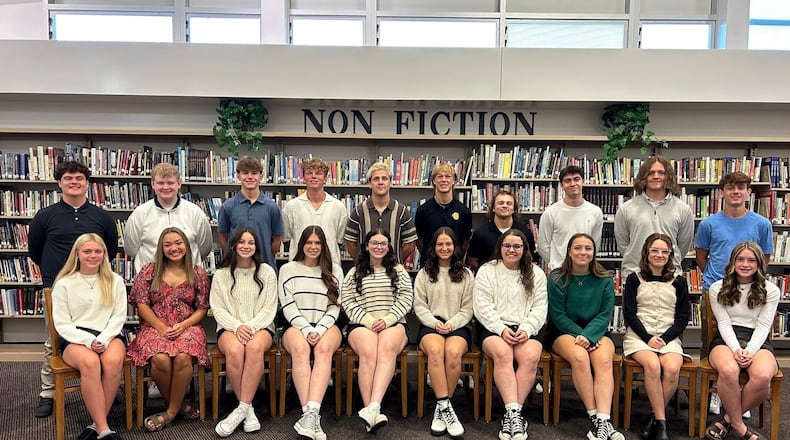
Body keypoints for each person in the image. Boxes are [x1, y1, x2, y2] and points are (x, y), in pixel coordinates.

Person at [28, 160, 119, 418]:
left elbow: (109, 251)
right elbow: (35, 251)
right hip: (57, 288)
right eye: (68, 178)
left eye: (79, 178)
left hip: (96, 287)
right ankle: (48, 393)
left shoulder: (101, 217)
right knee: (53, 342)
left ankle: (102, 390)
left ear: (87, 183)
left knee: (101, 335)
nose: (74, 182)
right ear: (60, 182)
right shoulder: (45, 216)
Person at [695, 171, 773, 416]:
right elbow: (701, 256)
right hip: (715, 290)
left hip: (749, 292)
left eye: (741, 187)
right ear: (722, 192)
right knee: (712, 344)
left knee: (746, 341)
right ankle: (717, 394)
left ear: (748, 192)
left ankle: (739, 396)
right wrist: (723, 281)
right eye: (730, 187)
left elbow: (765, 258)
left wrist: (746, 280)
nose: (736, 191)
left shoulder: (762, 224)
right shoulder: (709, 224)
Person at [126, 227, 211, 432]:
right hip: (155, 325)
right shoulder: (149, 271)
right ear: (161, 248)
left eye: (178, 243)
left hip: (187, 326)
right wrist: (161, 327)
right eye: (168, 244)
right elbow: (141, 304)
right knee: (160, 359)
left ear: (186, 245)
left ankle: (170, 413)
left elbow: (202, 309)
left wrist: (182, 325)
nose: (174, 248)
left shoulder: (197, 273)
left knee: (183, 357)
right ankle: (180, 406)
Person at [546, 233, 624, 440]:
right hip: (564, 330)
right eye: (578, 248)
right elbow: (558, 315)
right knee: (580, 357)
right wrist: (582, 336)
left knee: (604, 360)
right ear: (569, 252)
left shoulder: (605, 279)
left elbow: (605, 314)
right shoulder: (556, 278)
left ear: (594, 253)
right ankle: (595, 418)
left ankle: (604, 419)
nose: (583, 252)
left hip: (596, 330)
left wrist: (589, 335)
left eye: (588, 248)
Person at [51, 233, 127, 440]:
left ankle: (96, 426)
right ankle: (104, 430)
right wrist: (87, 341)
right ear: (77, 254)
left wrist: (102, 339)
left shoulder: (115, 280)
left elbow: (119, 317)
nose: (93, 256)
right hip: (75, 337)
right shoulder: (64, 283)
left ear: (104, 254)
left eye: (98, 251)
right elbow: (62, 324)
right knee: (91, 362)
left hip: (109, 334)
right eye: (87, 251)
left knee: (113, 361)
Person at [473, 229, 547, 440]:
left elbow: (540, 307)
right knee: (503, 354)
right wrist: (502, 329)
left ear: (525, 249)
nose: (512, 250)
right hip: (494, 327)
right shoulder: (487, 270)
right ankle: (514, 413)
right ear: (500, 248)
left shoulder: (536, 273)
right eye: (507, 246)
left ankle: (512, 413)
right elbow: (482, 307)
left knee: (530, 357)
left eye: (517, 246)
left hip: (527, 328)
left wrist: (526, 329)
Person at [704, 242, 779, 440]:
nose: (745, 264)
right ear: (733, 262)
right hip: (726, 339)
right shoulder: (717, 287)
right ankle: (740, 427)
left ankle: (726, 421)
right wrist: (736, 349)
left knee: (763, 376)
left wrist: (751, 351)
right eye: (740, 259)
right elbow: (724, 323)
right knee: (729, 370)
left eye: (751, 260)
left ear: (759, 264)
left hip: (757, 339)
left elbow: (764, 325)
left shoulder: (771, 290)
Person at [341, 229, 413, 433]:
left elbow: (406, 298)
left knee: (386, 350)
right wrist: (369, 321)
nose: (379, 247)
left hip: (394, 322)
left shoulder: (398, 270)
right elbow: (347, 301)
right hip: (362, 324)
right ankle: (371, 410)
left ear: (389, 247)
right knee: (369, 353)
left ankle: (373, 407)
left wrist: (387, 320)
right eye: (374, 243)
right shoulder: (354, 272)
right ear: (366, 245)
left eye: (383, 243)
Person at [209, 227, 278, 437]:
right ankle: (248, 411)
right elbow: (218, 308)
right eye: (242, 242)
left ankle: (240, 409)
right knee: (236, 350)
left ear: (257, 247)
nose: (246, 246)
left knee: (255, 348)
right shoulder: (221, 275)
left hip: (261, 326)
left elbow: (269, 307)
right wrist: (238, 326)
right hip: (230, 327)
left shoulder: (266, 272)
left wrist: (252, 327)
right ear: (233, 245)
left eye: (251, 243)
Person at [622, 233, 691, 440]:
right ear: (646, 252)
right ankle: (662, 425)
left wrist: (666, 338)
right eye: (655, 250)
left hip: (668, 337)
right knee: (652, 365)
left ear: (670, 255)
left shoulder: (679, 281)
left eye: (664, 251)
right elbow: (630, 313)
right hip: (639, 337)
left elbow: (682, 316)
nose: (659, 255)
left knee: (671, 368)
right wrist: (647, 338)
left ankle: (654, 416)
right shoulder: (634, 279)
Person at [278, 225, 344, 440]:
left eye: (317, 243)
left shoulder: (334, 270)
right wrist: (306, 329)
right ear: (301, 245)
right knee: (300, 350)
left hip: (326, 324)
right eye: (309, 242)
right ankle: (310, 415)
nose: (313, 247)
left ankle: (310, 414)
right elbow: (288, 306)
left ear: (324, 246)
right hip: (296, 325)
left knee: (324, 350)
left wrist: (320, 328)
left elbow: (335, 306)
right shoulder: (289, 269)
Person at [414, 227, 474, 438]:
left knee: (454, 353)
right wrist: (435, 323)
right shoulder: (424, 273)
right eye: (440, 244)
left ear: (455, 246)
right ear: (434, 247)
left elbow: (468, 308)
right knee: (436, 350)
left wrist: (452, 324)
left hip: (459, 326)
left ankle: (441, 410)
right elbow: (419, 305)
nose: (444, 248)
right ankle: (446, 407)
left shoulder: (466, 274)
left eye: (448, 244)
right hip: (431, 325)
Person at [124, 162, 213, 273]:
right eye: (161, 183)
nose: (165, 187)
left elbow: (204, 248)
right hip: (150, 282)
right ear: (153, 184)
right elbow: (131, 249)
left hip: (188, 280)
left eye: (170, 183)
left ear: (179, 184)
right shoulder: (139, 214)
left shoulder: (195, 213)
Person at [614, 155, 694, 278]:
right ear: (643, 177)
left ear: (668, 177)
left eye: (661, 173)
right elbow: (623, 245)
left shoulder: (683, 209)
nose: (656, 176)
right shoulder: (626, 209)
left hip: (670, 276)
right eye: (650, 173)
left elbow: (682, 246)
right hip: (635, 274)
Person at [344, 162, 417, 263]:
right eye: (376, 179)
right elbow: (349, 243)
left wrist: (394, 261)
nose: (380, 182)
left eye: (384, 178)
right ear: (369, 184)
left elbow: (410, 244)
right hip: (366, 272)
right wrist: (361, 262)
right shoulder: (358, 211)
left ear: (390, 183)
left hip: (393, 272)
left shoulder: (402, 211)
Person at [218, 156, 284, 269]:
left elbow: (276, 240)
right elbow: (223, 239)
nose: (250, 177)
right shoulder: (227, 207)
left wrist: (265, 255)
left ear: (261, 176)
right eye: (245, 173)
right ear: (238, 176)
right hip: (235, 268)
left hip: (265, 267)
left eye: (254, 173)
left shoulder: (272, 207)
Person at [282, 157, 348, 265]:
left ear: (325, 179)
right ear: (303, 178)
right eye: (309, 173)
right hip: (299, 266)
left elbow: (339, 240)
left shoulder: (338, 207)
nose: (313, 176)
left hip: (329, 266)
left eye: (318, 173)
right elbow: (287, 239)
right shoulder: (291, 207)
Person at [538, 165, 603, 271]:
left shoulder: (595, 212)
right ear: (562, 185)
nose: (573, 184)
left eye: (576, 179)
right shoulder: (550, 212)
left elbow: (595, 244)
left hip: (585, 271)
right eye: (568, 181)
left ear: (583, 182)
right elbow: (543, 246)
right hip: (559, 271)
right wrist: (556, 264)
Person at [466, 189, 537, 273]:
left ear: (514, 209)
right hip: (489, 280)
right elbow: (473, 260)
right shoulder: (480, 233)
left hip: (518, 279)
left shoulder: (525, 233)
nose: (505, 206)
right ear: (493, 208)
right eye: (500, 203)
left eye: (509, 203)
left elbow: (530, 259)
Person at [414, 163, 473, 262]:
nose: (444, 180)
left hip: (455, 266)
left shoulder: (464, 211)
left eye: (448, 176)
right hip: (429, 265)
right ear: (434, 181)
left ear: (454, 181)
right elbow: (419, 241)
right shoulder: (423, 210)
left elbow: (466, 241)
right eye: (440, 176)